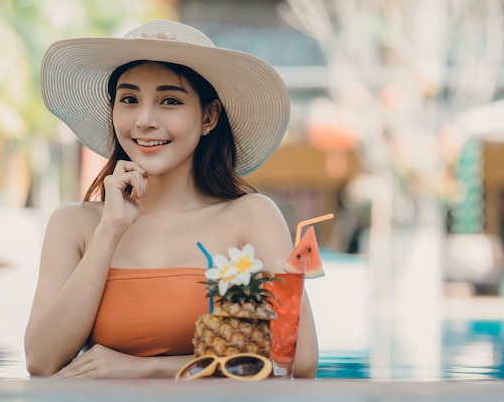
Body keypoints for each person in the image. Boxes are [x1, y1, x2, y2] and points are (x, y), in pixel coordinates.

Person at [24, 19, 319, 379]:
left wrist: (147, 369)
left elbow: (298, 360)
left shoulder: (251, 216)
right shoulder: (75, 224)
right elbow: (41, 361)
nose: (145, 120)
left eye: (170, 101)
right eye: (129, 99)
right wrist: (111, 230)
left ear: (209, 116)